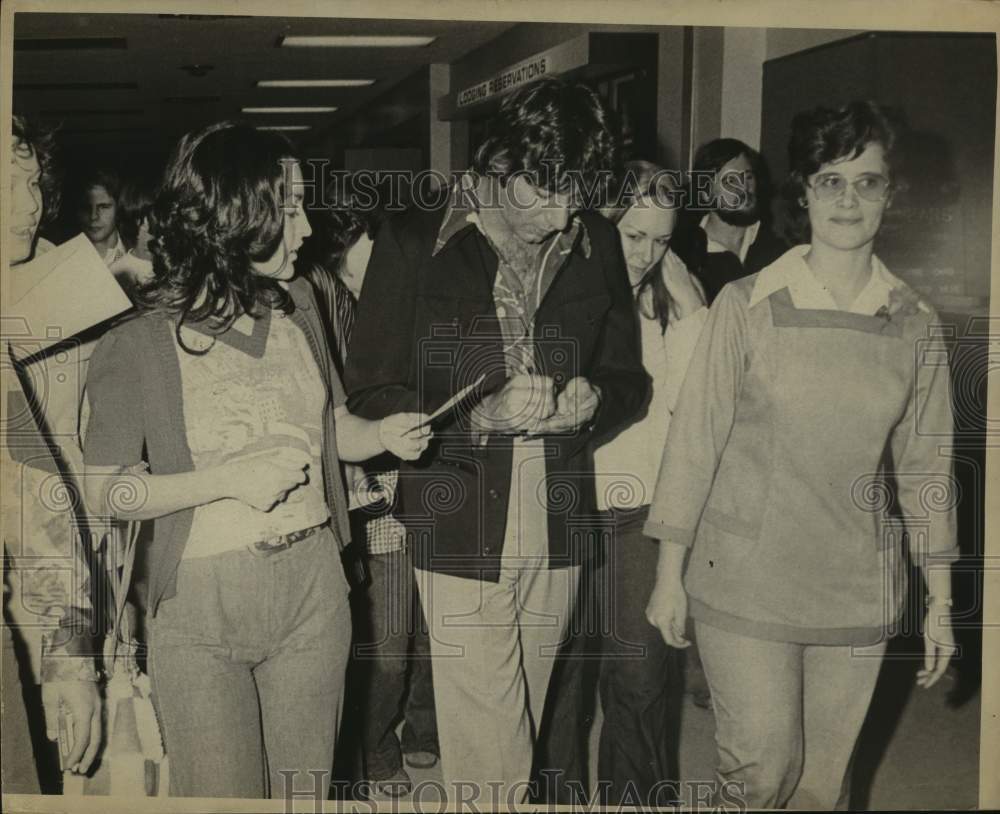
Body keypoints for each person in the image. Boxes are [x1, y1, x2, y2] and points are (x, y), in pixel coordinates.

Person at [80, 121, 432, 799]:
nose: (306, 225)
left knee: (306, 795)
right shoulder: (138, 342)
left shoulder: (300, 305)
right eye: (290, 207)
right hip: (200, 611)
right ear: (239, 216)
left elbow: (333, 426)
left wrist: (383, 432)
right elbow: (106, 493)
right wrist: (225, 481)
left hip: (313, 594)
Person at [643, 101, 959, 810]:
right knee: (761, 770)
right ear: (803, 191)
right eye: (829, 181)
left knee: (823, 786)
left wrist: (940, 597)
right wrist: (670, 571)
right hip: (744, 579)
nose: (848, 200)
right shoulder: (749, 304)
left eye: (867, 181)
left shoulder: (913, 321)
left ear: (890, 193)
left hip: (856, 582)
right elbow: (696, 439)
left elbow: (927, 470)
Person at [344, 77, 648, 806]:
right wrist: (473, 416)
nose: (561, 212)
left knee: (526, 719)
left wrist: (591, 401)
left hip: (559, 510)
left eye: (577, 194)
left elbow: (629, 378)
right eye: (545, 191)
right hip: (457, 509)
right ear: (498, 165)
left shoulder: (596, 238)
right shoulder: (416, 237)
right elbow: (372, 389)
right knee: (492, 739)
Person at [305, 207, 440, 799]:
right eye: (356, 280)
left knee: (434, 628)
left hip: (427, 482)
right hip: (377, 491)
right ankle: (378, 744)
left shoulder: (422, 279)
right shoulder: (327, 310)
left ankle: (423, 727)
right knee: (388, 634)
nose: (368, 288)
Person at [592, 160, 707, 804]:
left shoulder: (668, 302)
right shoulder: (569, 295)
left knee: (640, 677)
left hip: (642, 512)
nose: (644, 253)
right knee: (565, 689)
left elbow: (700, 413)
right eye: (631, 235)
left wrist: (693, 316)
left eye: (660, 240)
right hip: (568, 508)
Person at [3, 115, 103, 793]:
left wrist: (71, 650)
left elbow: (39, 478)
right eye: (6, 184)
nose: (28, 202)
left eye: (31, 180)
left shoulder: (60, 284)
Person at [673, 138, 786, 304]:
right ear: (705, 193)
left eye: (748, 177)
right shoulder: (683, 256)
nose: (744, 188)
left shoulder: (779, 251)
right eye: (730, 181)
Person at [72, 167, 126, 266]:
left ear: (119, 208)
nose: (93, 217)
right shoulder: (65, 259)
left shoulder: (137, 254)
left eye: (103, 207)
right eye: (86, 207)